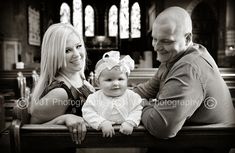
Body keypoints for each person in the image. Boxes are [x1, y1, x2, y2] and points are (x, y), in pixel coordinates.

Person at [133, 6, 235, 141]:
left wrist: (143, 105)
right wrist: (111, 95)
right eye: (154, 39)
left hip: (201, 144)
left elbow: (162, 127)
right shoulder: (174, 58)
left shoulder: (188, 67)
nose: (156, 47)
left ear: (187, 39)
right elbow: (147, 89)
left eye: (166, 41)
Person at [29, 23, 95, 146]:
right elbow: (30, 135)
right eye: (67, 50)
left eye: (78, 46)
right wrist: (62, 119)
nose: (77, 54)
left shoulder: (79, 79)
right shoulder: (61, 92)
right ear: (54, 55)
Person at [82, 51, 143, 137]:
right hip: (101, 137)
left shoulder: (132, 96)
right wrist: (102, 123)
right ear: (98, 82)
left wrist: (130, 122)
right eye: (109, 80)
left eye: (120, 79)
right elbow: (88, 112)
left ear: (127, 80)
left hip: (126, 136)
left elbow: (137, 109)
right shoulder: (94, 98)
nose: (115, 83)